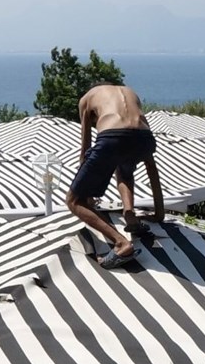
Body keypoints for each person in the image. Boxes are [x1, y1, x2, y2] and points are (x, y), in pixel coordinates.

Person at [67, 84, 164, 269]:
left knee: (73, 201)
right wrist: (160, 213)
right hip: (144, 137)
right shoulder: (129, 92)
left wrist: (85, 193)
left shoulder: (86, 99)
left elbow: (86, 149)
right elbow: (151, 168)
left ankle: (121, 244)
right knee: (124, 168)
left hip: (113, 137)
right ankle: (130, 216)